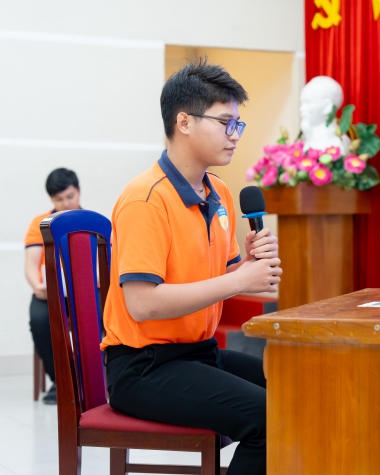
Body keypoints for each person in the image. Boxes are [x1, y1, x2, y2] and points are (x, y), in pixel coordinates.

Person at [101, 60, 282, 475]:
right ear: (184, 121)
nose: (234, 135)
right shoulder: (146, 199)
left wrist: (250, 267)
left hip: (198, 355)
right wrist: (238, 278)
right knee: (267, 417)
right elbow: (143, 304)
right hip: (144, 367)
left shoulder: (217, 191)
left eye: (238, 124)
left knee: (297, 393)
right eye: (225, 122)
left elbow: (228, 276)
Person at [24, 167, 82, 405]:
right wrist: (37, 285)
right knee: (38, 318)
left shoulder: (90, 222)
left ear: (78, 191)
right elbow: (31, 263)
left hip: (87, 292)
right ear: (51, 199)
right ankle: (60, 382)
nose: (65, 203)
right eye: (58, 200)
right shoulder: (40, 223)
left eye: (69, 197)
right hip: (52, 293)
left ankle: (90, 379)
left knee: (102, 315)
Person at [299, 75, 349, 154]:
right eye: (302, 103)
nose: (301, 109)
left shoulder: (335, 146)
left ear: (327, 107)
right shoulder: (305, 140)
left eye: (307, 103)